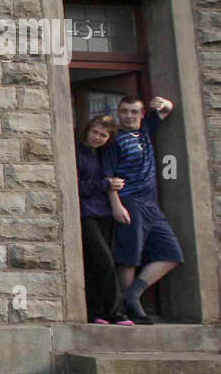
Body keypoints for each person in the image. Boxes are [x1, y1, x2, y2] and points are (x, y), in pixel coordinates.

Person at [102, 95, 182, 324]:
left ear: (141, 114)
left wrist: (164, 102)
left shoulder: (146, 129)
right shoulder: (114, 139)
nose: (129, 116)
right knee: (129, 257)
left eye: (134, 112)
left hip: (151, 205)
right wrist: (116, 205)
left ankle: (132, 294)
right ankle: (130, 309)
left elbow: (168, 109)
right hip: (129, 202)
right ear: (119, 112)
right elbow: (109, 176)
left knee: (171, 254)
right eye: (125, 111)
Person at [76, 114, 133, 326]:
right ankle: (116, 313)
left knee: (98, 264)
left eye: (103, 135)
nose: (98, 137)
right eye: (95, 132)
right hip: (85, 214)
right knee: (103, 261)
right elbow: (77, 185)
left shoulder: (104, 155)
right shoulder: (78, 152)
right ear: (87, 130)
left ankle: (98, 313)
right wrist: (105, 184)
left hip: (104, 214)